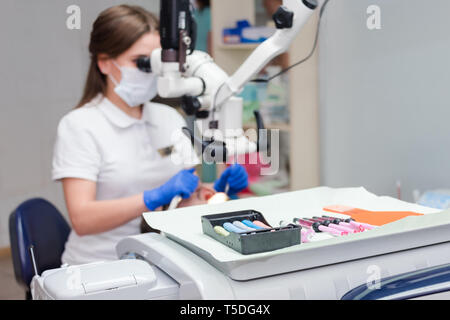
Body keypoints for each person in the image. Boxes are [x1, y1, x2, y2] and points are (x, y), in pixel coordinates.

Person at [52, 5, 248, 266]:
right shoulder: (79, 125)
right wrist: (150, 198)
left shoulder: (168, 117)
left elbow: (185, 197)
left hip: (165, 256)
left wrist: (216, 191)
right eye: (140, 61)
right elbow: (83, 220)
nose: (151, 71)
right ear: (104, 62)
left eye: (156, 61)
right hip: (100, 264)